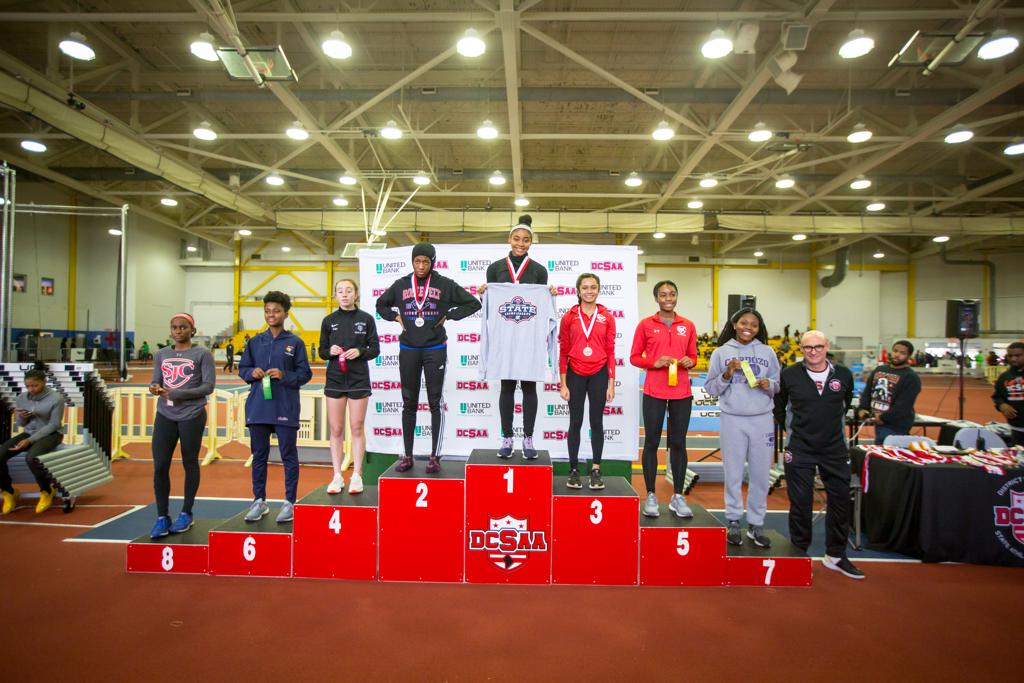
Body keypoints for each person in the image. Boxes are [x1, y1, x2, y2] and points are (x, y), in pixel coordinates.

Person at [375, 243, 481, 473]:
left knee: (434, 402)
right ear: (412, 262)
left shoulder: (444, 284)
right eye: (417, 261)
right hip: (409, 349)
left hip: (435, 349)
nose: (421, 266)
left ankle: (435, 456)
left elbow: (474, 303)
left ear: (433, 262)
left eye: (426, 261)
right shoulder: (402, 284)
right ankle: (408, 455)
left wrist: (449, 316)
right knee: (408, 402)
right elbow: (380, 304)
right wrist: (395, 317)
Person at [775, 330, 863, 580]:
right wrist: (794, 430)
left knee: (840, 501)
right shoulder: (789, 375)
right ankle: (798, 554)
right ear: (801, 349)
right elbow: (779, 408)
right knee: (800, 504)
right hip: (800, 448)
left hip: (834, 449)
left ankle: (836, 555)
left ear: (826, 347)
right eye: (807, 347)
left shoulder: (843, 375)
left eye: (818, 347)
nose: (813, 351)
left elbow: (844, 404)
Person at [478, 214, 557, 458]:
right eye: (516, 239)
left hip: (529, 340)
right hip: (506, 339)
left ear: (531, 242)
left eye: (525, 240)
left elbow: (542, 303)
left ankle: (529, 439)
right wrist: (484, 295)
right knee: (507, 387)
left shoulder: (539, 271)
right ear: (509, 239)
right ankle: (507, 437)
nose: (520, 244)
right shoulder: (494, 268)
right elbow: (492, 308)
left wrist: (550, 294)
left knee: (530, 387)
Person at [702, 308, 780, 548]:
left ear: (759, 328)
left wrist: (770, 384)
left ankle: (756, 524)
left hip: (762, 419)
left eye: (754, 324)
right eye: (744, 322)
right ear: (735, 324)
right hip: (732, 419)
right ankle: (734, 520)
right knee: (733, 473)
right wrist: (727, 373)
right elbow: (711, 388)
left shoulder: (767, 352)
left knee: (759, 475)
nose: (748, 327)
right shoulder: (721, 352)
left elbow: (778, 385)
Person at [238, 291, 313, 523]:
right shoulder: (254, 341)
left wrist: (284, 375)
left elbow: (305, 374)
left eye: (276, 311)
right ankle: (258, 501)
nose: (271, 315)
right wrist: (252, 372)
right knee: (258, 456)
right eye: (268, 311)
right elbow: (243, 369)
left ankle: (290, 502)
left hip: (285, 406)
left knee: (288, 456)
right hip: (258, 407)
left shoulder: (295, 342)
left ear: (285, 313)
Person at [630, 280, 697, 519]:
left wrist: (691, 361)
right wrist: (653, 362)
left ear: (676, 296)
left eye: (672, 293)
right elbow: (634, 357)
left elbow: (693, 355)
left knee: (678, 443)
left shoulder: (687, 325)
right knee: (651, 442)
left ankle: (678, 497)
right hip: (654, 392)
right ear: (656, 298)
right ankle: (650, 495)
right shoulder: (646, 324)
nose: (668, 297)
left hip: (681, 393)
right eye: (662, 294)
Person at [147, 313, 216, 538]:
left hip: (192, 414)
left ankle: (186, 513)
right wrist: (154, 387)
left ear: (191, 330)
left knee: (189, 462)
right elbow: (156, 380)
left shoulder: (202, 354)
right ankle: (162, 516)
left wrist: (179, 393)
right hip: (165, 414)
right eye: (174, 327)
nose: (178, 331)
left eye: (183, 327)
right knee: (160, 465)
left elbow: (208, 387)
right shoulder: (162, 354)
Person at [319, 278, 379, 494]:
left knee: (356, 426)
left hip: (358, 379)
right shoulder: (328, 321)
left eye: (349, 290)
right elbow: (322, 351)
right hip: (335, 379)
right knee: (335, 429)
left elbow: (375, 349)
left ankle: (357, 475)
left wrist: (360, 352)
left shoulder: (366, 319)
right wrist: (330, 352)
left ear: (356, 294)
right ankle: (337, 475)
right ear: (335, 295)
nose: (344, 294)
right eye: (340, 291)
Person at [558, 272, 615, 490]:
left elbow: (610, 351)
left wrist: (611, 382)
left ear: (599, 290)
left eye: (593, 287)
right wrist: (563, 383)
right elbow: (563, 351)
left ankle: (596, 470)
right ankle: (574, 470)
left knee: (597, 422)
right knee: (575, 421)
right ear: (578, 290)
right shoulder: (569, 317)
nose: (589, 291)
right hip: (575, 373)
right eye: (585, 287)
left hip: (600, 373)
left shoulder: (607, 317)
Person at [0, 362, 64, 515]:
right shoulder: (22, 398)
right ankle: (9, 491)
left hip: (51, 434)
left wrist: (30, 441)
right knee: (0, 455)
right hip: (29, 432)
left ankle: (47, 490)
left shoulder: (56, 398)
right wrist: (21, 417)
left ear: (44, 382)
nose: (31, 389)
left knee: (32, 457)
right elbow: (20, 423)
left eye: (35, 385)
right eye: (28, 386)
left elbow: (54, 425)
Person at [856, 340, 922, 445]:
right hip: (879, 423)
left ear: (909, 356)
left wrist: (882, 418)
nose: (897, 355)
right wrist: (862, 408)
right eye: (895, 351)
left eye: (902, 353)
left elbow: (904, 406)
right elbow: (868, 391)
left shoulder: (911, 377)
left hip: (896, 426)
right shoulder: (879, 370)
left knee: (886, 456)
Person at [992, 341, 1024, 447]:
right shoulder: (1005, 377)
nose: (1013, 359)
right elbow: (997, 396)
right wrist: (1002, 405)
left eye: (1018, 355)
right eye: (1010, 356)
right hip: (1016, 428)